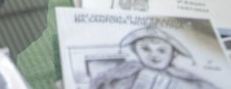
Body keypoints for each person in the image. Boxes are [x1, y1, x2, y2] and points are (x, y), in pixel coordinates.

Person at [90, 27, 220, 89]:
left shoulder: (187, 78)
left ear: (173, 53)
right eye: (145, 49)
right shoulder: (125, 72)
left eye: (162, 50)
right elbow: (102, 83)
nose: (154, 55)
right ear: (135, 50)